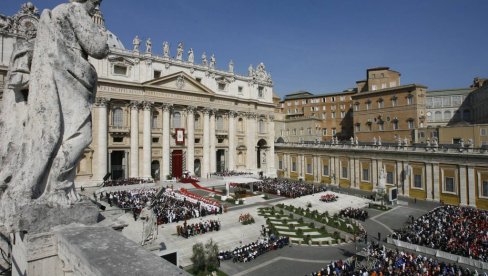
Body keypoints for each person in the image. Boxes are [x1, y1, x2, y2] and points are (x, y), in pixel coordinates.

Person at [0, 0, 109, 221]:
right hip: (70, 80)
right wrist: (102, 39)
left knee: (58, 135)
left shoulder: (55, 14)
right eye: (96, 2)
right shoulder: (74, 11)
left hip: (60, 78)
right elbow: (97, 47)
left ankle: (51, 188)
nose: (95, 6)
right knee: (80, 135)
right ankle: (58, 189)